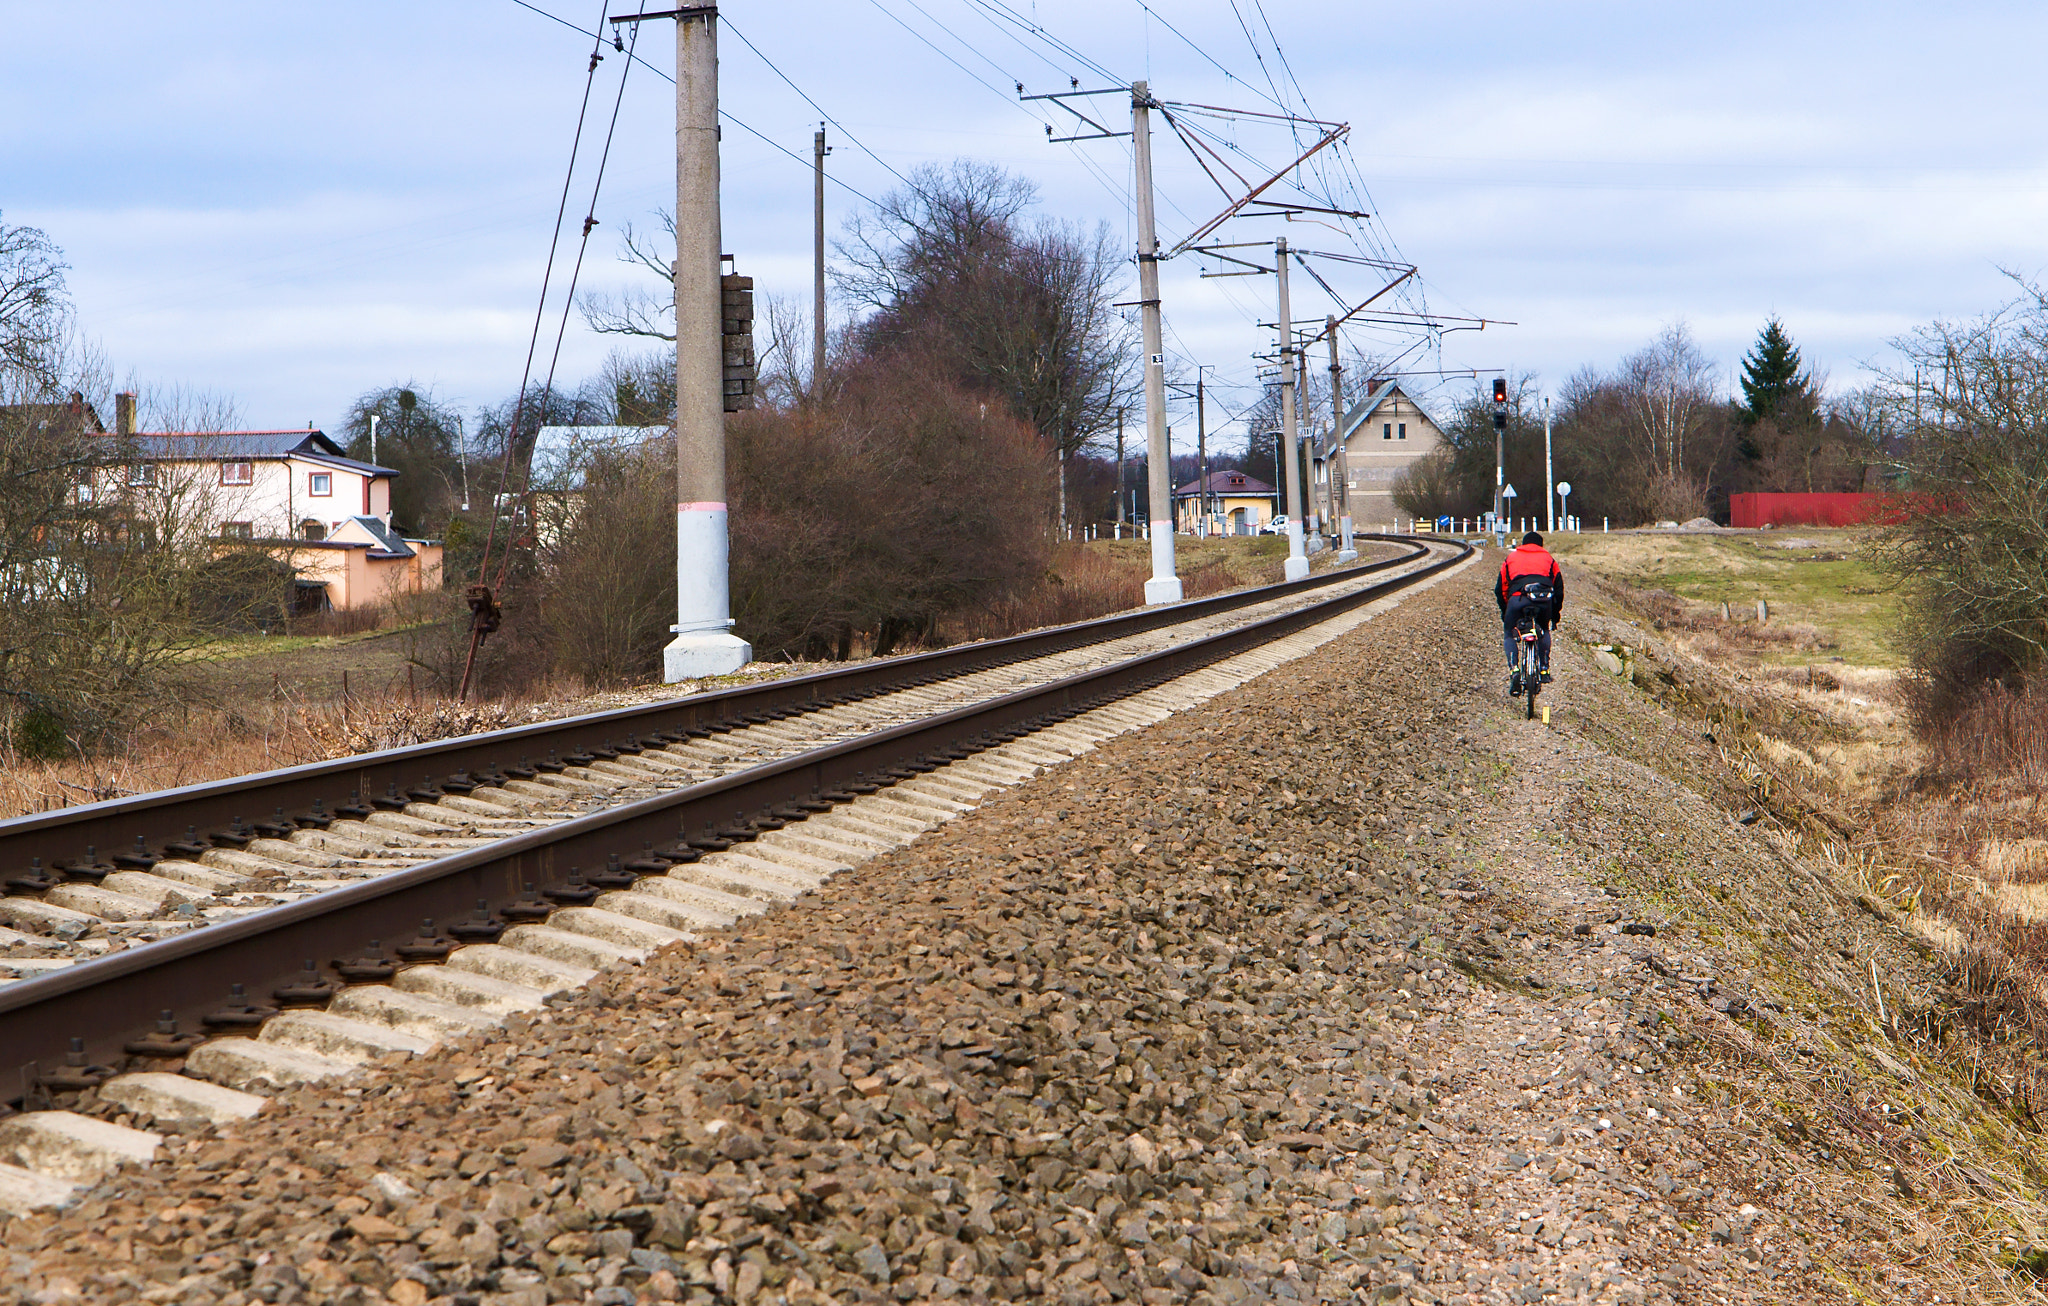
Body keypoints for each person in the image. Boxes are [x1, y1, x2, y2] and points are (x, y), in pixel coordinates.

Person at [1496, 530, 1563, 695]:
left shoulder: (1511, 558)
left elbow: (1500, 589)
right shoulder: (1549, 559)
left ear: (1523, 544)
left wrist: (1506, 612)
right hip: (1544, 602)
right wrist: (1555, 615)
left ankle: (1514, 670)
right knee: (1544, 629)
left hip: (1517, 600)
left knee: (1509, 634)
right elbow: (1559, 590)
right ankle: (1544, 670)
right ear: (1541, 545)